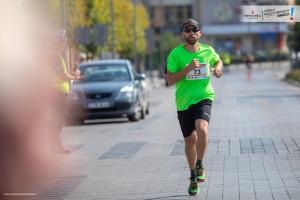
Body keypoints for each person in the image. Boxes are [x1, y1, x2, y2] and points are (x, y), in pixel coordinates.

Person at [166, 19, 223, 196]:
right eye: (187, 30)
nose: (191, 33)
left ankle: (200, 164)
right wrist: (188, 69)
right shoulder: (176, 54)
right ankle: (192, 177)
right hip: (183, 102)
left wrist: (218, 69)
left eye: (194, 30)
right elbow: (169, 80)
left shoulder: (208, 50)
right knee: (190, 141)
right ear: (183, 34)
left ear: (200, 33)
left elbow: (217, 61)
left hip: (204, 97)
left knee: (202, 129)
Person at [48, 30, 81, 153]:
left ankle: (55, 145)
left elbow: (64, 74)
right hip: (55, 93)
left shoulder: (56, 56)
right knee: (57, 120)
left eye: (63, 42)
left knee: (58, 120)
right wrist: (74, 77)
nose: (63, 45)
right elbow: (62, 75)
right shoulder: (53, 57)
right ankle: (54, 146)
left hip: (58, 93)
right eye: (61, 42)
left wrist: (72, 75)